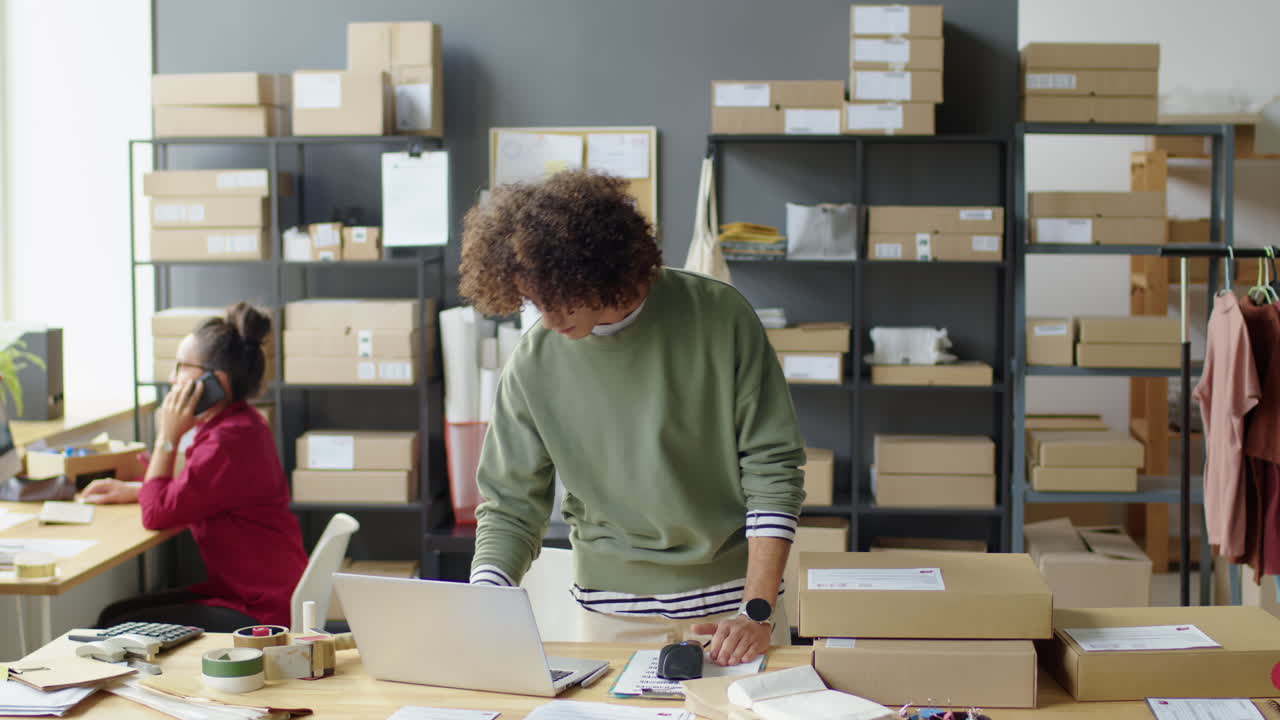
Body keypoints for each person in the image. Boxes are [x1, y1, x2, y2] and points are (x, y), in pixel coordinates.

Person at [459, 170, 805, 666]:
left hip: (734, 611)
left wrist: (757, 608)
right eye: (536, 303)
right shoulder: (532, 362)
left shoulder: (719, 316)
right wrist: (485, 594)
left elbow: (773, 470)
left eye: (562, 299)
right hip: (611, 616)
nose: (551, 321)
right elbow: (511, 505)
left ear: (601, 270)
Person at [84, 302, 307, 631]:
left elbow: (156, 514)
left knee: (113, 623)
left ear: (215, 380)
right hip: (261, 595)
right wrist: (135, 488)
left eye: (182, 366)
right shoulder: (240, 425)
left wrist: (167, 435)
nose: (172, 377)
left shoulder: (227, 441)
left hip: (258, 610)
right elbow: (194, 488)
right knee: (115, 615)